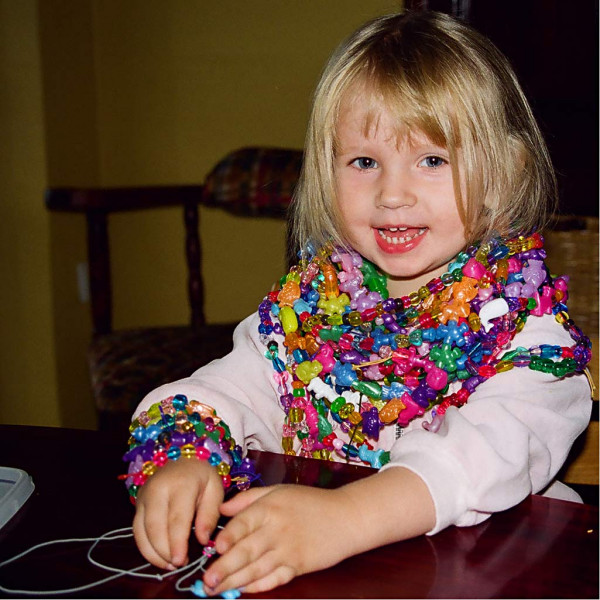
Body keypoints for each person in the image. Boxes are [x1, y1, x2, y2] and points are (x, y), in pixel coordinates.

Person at [123, 10, 593, 596]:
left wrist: (347, 518)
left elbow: (483, 455)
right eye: (364, 162)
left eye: (433, 160)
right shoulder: (310, 311)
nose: (392, 194)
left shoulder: (529, 337)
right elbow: (227, 390)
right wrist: (183, 454)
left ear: (504, 173)